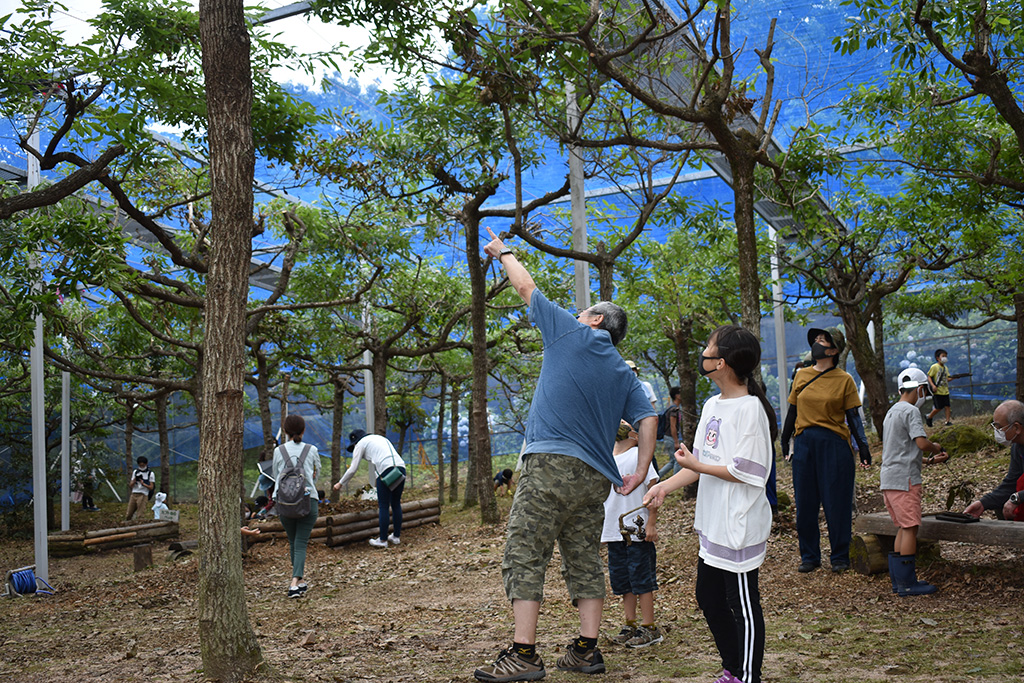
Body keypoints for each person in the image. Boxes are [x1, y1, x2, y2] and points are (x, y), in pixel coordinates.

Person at [473, 228, 657, 683]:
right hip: (594, 478)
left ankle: (523, 654)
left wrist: (503, 251)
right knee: (583, 559)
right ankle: (586, 651)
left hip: (549, 466)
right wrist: (640, 474)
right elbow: (650, 420)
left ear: (595, 321)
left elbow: (525, 288)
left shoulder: (571, 335)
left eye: (583, 312)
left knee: (524, 554)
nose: (577, 314)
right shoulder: (624, 374)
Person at [643, 325, 776, 683]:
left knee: (743, 606)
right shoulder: (712, 404)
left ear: (723, 363)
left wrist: (695, 465)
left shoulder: (751, 410)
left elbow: (748, 470)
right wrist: (665, 487)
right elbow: (700, 460)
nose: (703, 352)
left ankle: (749, 676)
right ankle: (732, 668)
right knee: (708, 597)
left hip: (740, 523)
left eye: (709, 348)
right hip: (714, 522)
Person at [780, 326, 872, 574]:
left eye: (823, 341)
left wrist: (863, 446)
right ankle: (809, 556)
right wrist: (785, 438)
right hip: (804, 443)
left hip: (834, 444)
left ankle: (840, 556)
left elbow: (853, 417)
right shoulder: (801, 376)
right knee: (805, 502)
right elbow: (792, 411)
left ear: (833, 350)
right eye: (816, 340)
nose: (817, 343)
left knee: (837, 502)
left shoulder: (844, 379)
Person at [881, 369, 946, 596]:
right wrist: (935, 447)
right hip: (905, 481)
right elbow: (920, 442)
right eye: (924, 391)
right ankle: (908, 584)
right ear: (919, 389)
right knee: (910, 527)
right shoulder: (910, 411)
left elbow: (901, 450)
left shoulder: (891, 412)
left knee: (902, 527)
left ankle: (899, 582)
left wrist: (928, 461)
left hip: (889, 479)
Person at [602, 421, 662, 649]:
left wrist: (652, 523)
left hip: (636, 531)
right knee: (622, 580)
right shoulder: (606, 457)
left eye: (625, 423)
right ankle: (630, 623)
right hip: (613, 531)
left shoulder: (640, 455)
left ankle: (649, 627)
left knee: (641, 579)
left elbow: (653, 490)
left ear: (636, 434)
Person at [273, 414, 321, 599]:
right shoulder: (312, 449)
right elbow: (316, 474)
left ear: (285, 431)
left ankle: (299, 582)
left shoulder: (279, 451)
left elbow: (277, 474)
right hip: (308, 501)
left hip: (284, 503)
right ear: (303, 430)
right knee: (300, 542)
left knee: (294, 542)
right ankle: (294, 583)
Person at [334, 428, 406, 548]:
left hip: (386, 469)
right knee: (396, 503)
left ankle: (382, 540)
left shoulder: (360, 444)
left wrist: (340, 483)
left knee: (383, 505)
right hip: (400, 467)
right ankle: (396, 537)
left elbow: (353, 468)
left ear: (355, 442)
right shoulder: (378, 438)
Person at [964, 400, 1024, 520]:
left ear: (1017, 427)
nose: (997, 432)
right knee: (1001, 506)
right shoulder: (1017, 448)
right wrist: (983, 503)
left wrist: (1018, 497)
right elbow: (1011, 482)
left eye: (1000, 428)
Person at [925, 348, 969, 427]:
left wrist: (955, 377)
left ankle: (948, 421)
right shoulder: (934, 367)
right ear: (938, 358)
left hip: (945, 391)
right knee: (938, 407)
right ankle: (929, 417)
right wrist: (933, 386)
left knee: (947, 406)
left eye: (946, 356)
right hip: (937, 391)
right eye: (943, 356)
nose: (945, 358)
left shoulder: (945, 368)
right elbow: (929, 377)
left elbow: (947, 379)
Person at [125, 456, 155, 521]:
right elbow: (130, 485)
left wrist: (143, 484)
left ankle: (140, 527)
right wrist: (135, 480)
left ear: (146, 464)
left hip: (143, 494)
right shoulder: (135, 472)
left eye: (143, 465)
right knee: (129, 514)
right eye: (140, 465)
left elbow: (151, 487)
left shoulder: (150, 473)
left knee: (140, 515)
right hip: (134, 494)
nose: (141, 467)